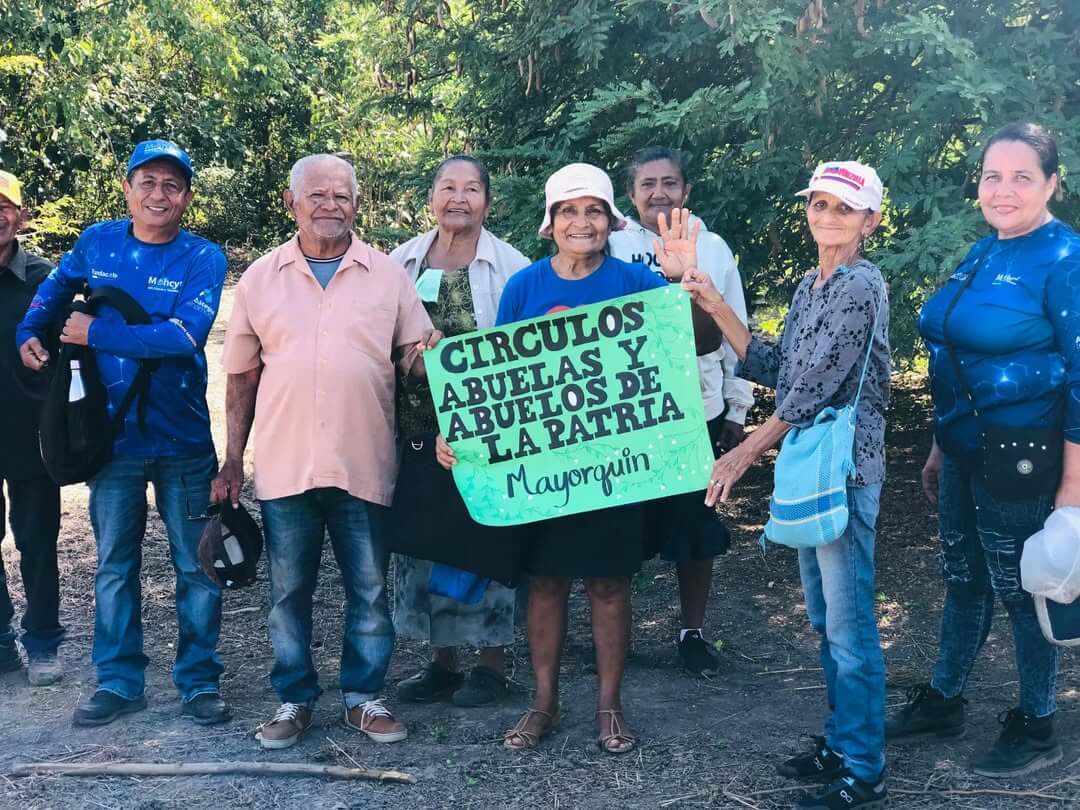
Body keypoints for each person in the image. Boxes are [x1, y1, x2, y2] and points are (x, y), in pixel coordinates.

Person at [437, 163, 669, 754]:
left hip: (614, 466)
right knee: (544, 584)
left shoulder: (639, 283)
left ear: (610, 221)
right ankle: (543, 704)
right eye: (570, 211)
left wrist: (688, 282)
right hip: (542, 469)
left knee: (610, 585)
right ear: (551, 222)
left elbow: (686, 349)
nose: (582, 222)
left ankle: (609, 707)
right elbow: (500, 381)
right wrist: (464, 433)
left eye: (594, 211)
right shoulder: (525, 288)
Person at [680, 160, 891, 809]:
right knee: (829, 619)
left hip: (848, 469)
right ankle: (841, 740)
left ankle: (864, 767)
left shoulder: (860, 285)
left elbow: (813, 387)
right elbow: (777, 365)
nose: (826, 216)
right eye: (819, 204)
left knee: (850, 625)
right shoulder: (810, 285)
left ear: (869, 221)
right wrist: (712, 299)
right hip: (815, 466)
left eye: (842, 208)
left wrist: (743, 452)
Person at [213, 154, 434, 750]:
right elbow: (240, 377)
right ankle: (294, 699)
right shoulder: (261, 277)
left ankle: (364, 698)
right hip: (286, 465)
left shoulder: (387, 275)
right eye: (317, 195)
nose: (331, 204)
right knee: (288, 592)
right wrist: (232, 459)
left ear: (356, 203)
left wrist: (428, 355)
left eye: (342, 195)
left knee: (368, 589)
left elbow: (413, 360)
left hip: (364, 463)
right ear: (292, 203)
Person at [887, 122, 1080, 777]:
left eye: (1022, 176)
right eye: (992, 175)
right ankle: (945, 698)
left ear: (1052, 183)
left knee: (1024, 591)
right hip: (966, 451)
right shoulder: (985, 251)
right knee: (964, 579)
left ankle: (1036, 723)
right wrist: (941, 447)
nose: (1004, 189)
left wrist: (1073, 491)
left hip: (1026, 456)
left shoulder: (1063, 259)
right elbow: (955, 354)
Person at [16, 140, 230, 727]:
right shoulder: (98, 242)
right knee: (113, 564)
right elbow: (51, 294)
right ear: (128, 188)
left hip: (183, 439)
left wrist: (94, 334)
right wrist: (28, 332)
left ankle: (198, 682)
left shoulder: (203, 258)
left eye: (172, 185)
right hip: (108, 440)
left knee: (196, 566)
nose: (159, 194)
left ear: (186, 197)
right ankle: (118, 681)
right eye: (148, 182)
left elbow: (184, 337)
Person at [388, 156, 530, 707]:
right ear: (431, 197)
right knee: (424, 538)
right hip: (419, 424)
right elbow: (384, 336)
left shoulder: (512, 267)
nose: (459, 198)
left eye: (472, 189)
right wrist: (410, 361)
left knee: (486, 539)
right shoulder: (402, 261)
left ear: (487, 203)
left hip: (489, 432)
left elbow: (526, 348)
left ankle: (492, 665)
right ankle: (440, 662)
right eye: (447, 186)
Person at [609, 146, 754, 673]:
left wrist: (738, 409)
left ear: (686, 191)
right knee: (622, 529)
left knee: (695, 528)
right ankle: (616, 639)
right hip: (627, 415)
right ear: (631, 194)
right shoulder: (611, 247)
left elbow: (737, 325)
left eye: (670, 182)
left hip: (699, 408)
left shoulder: (713, 248)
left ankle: (692, 632)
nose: (659, 193)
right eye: (647, 184)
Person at [0, 170, 64, 686]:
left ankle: (43, 642)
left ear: (20, 215)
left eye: (5, 205)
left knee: (38, 541)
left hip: (31, 434)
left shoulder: (45, 279)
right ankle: (1, 643)